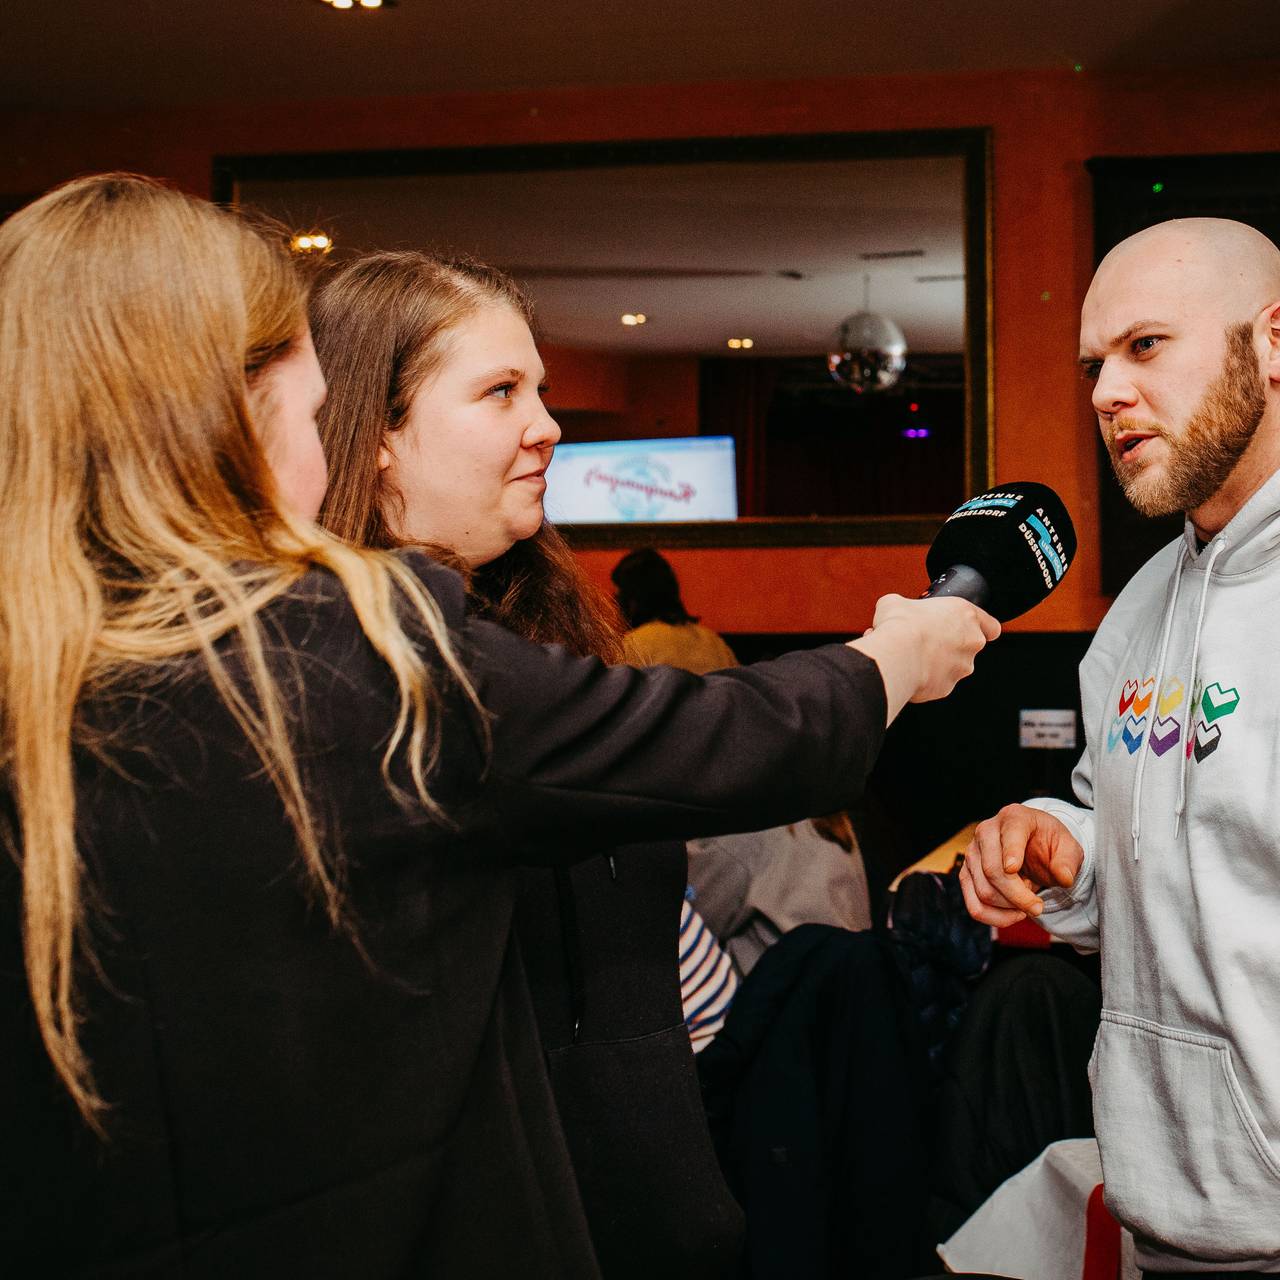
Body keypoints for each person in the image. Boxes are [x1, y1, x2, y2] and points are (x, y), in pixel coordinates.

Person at [0, 175, 998, 1279]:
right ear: (227, 399)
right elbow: (719, 739)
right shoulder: (351, 651)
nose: (546, 426)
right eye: (499, 391)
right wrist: (898, 656)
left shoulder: (77, 654)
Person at [960, 217, 1280, 1271]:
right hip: (1162, 1204)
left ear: (1270, 343)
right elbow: (1136, 863)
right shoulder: (1135, 610)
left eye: (1143, 345)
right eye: (1094, 361)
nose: (1103, 390)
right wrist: (1058, 843)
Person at [611, 547, 739, 673]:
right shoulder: (714, 642)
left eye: (618, 598)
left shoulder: (634, 646)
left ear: (632, 601)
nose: (616, 607)